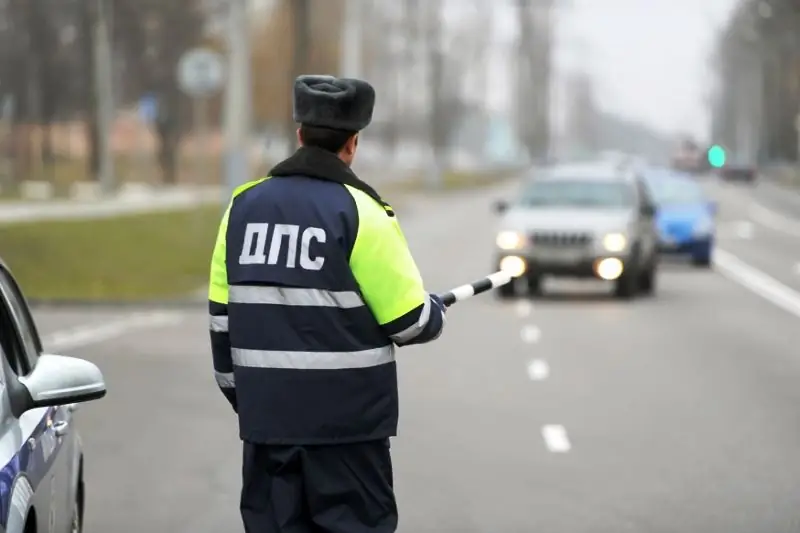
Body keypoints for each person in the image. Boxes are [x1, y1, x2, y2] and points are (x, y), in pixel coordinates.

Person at [208, 74, 447, 533]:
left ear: (299, 134)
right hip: (349, 434)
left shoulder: (242, 207)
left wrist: (252, 400)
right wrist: (434, 313)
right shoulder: (364, 213)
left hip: (267, 425)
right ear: (353, 143)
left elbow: (222, 322)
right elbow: (410, 322)